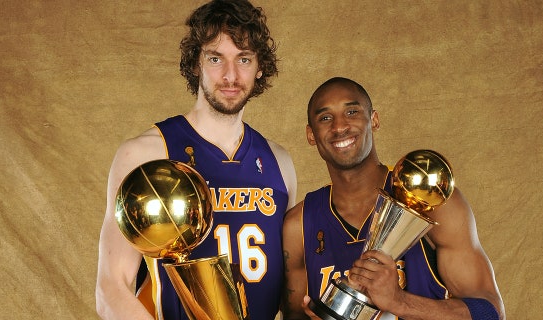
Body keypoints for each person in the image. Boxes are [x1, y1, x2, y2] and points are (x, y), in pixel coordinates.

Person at [95, 1, 297, 319]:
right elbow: (111, 288)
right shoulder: (147, 154)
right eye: (216, 58)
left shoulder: (279, 163)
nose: (231, 75)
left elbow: (288, 288)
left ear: (259, 67)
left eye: (243, 59)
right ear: (195, 64)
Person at [281, 77, 504, 319]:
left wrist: (399, 301)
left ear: (374, 120)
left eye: (352, 112)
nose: (339, 127)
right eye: (325, 118)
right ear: (311, 134)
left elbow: (491, 313)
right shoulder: (299, 226)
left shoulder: (431, 201)